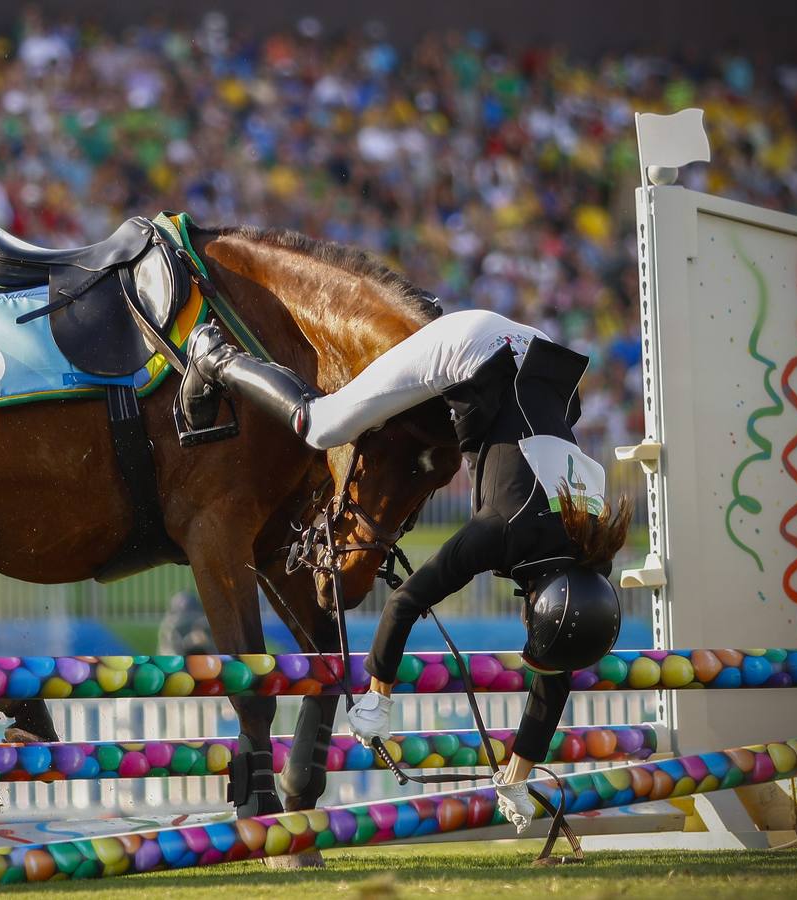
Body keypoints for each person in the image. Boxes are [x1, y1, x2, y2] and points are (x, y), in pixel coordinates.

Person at [179, 307, 630, 832]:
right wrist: (378, 695)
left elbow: (557, 676)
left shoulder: (586, 549)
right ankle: (215, 355)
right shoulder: (502, 529)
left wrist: (517, 773)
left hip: (534, 350)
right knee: (322, 425)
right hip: (470, 346)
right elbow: (405, 602)